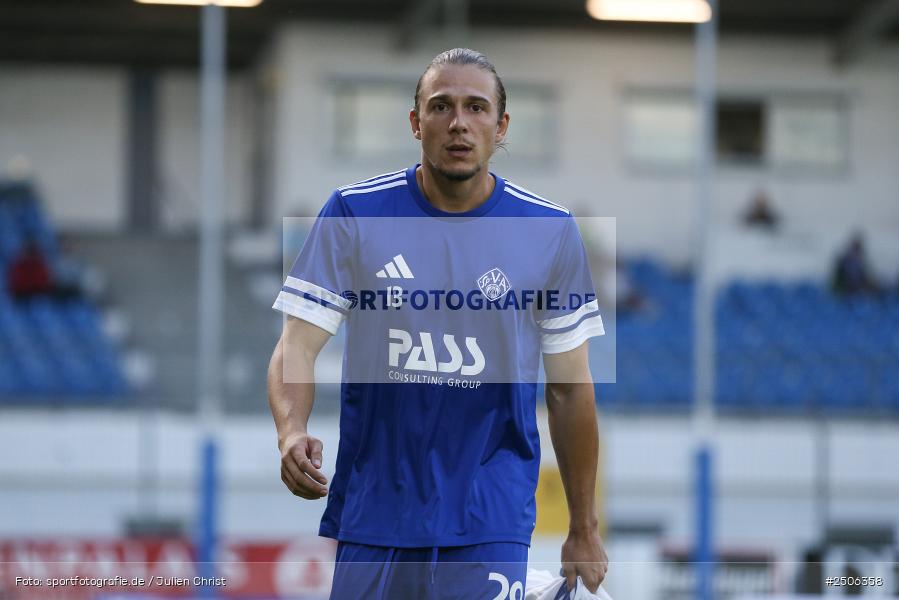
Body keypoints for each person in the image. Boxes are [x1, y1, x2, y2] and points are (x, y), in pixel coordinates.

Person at [268, 48, 608, 599]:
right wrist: (290, 430)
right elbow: (296, 345)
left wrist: (584, 527)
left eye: (476, 108)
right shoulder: (355, 213)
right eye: (441, 106)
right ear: (415, 122)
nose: (458, 123)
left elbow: (570, 390)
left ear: (501, 128)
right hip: (375, 509)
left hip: (488, 513)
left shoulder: (549, 232)